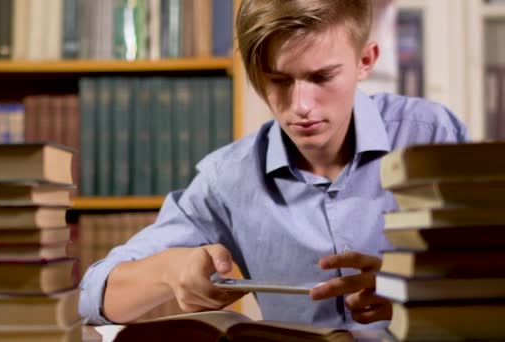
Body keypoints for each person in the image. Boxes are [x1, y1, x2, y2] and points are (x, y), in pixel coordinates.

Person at [79, 0, 468, 330]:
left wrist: (412, 293)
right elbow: (92, 295)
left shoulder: (432, 135)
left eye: (322, 76)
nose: (301, 105)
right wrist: (168, 270)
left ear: (365, 60)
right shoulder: (228, 179)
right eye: (279, 80)